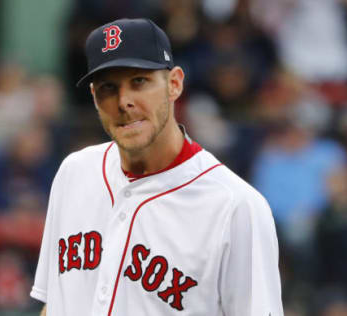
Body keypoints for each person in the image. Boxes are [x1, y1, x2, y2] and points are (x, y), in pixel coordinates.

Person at [31, 18, 283, 316]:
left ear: (174, 84)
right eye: (108, 88)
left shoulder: (236, 207)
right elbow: (55, 304)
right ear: (94, 98)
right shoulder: (74, 173)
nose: (124, 101)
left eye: (139, 81)